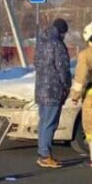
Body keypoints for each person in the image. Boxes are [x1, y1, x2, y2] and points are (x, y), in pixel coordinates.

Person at [34, 18, 72, 169]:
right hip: (53, 90)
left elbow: (36, 63)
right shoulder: (57, 45)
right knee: (50, 123)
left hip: (41, 88)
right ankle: (45, 155)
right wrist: (67, 84)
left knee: (43, 122)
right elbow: (62, 68)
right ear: (62, 32)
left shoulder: (41, 42)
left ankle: (42, 152)